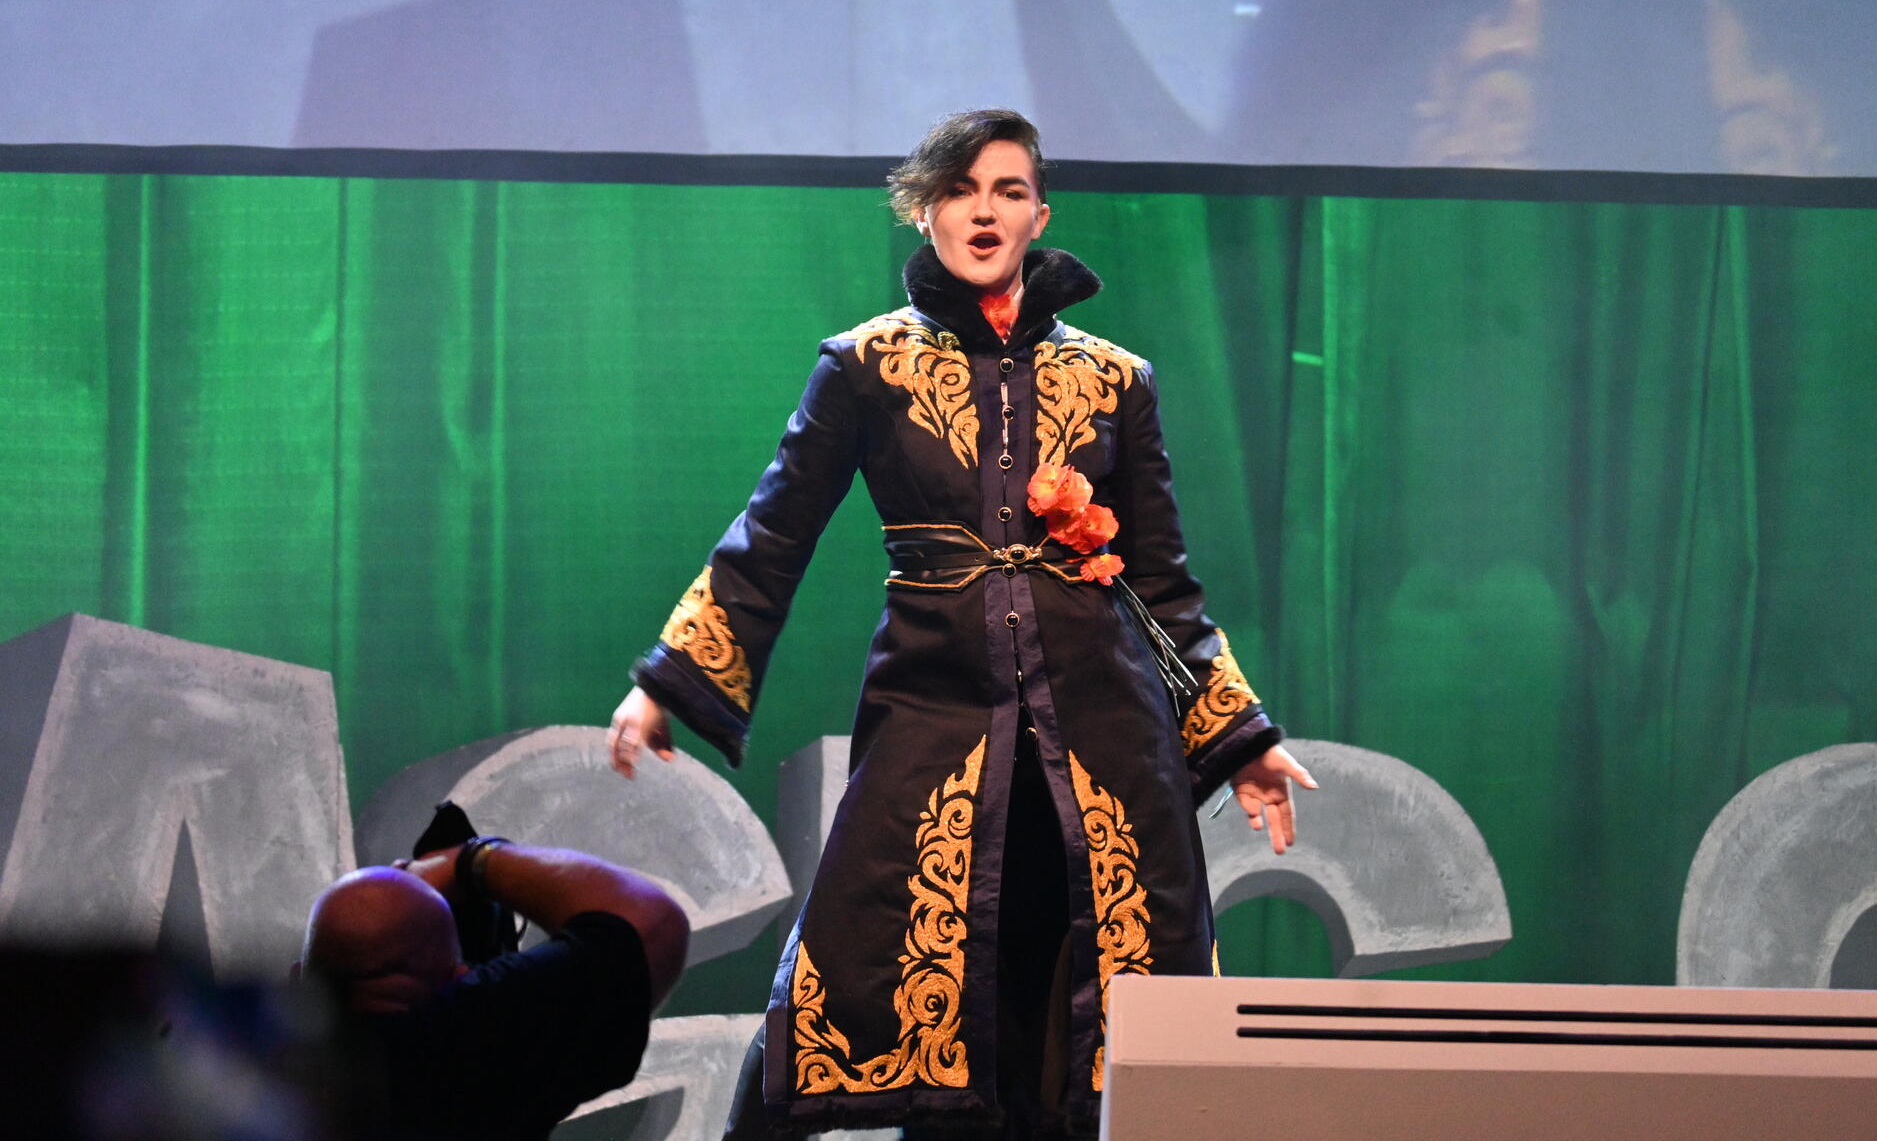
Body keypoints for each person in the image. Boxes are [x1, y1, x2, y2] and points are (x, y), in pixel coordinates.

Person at [607, 108, 1314, 1138]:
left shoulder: (1115, 378)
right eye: (960, 190)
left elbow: (1162, 583)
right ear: (924, 211)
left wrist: (1240, 736)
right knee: (863, 966)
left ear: (1040, 215)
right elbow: (774, 531)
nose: (984, 211)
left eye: (1008, 190)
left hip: (1102, 732)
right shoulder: (865, 364)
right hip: (936, 715)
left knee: (1076, 1002)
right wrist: (670, 678)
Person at [300, 840, 689, 1140]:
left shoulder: (274, 1072)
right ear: (459, 976)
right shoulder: (475, 1041)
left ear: (299, 981)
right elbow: (651, 925)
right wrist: (472, 860)